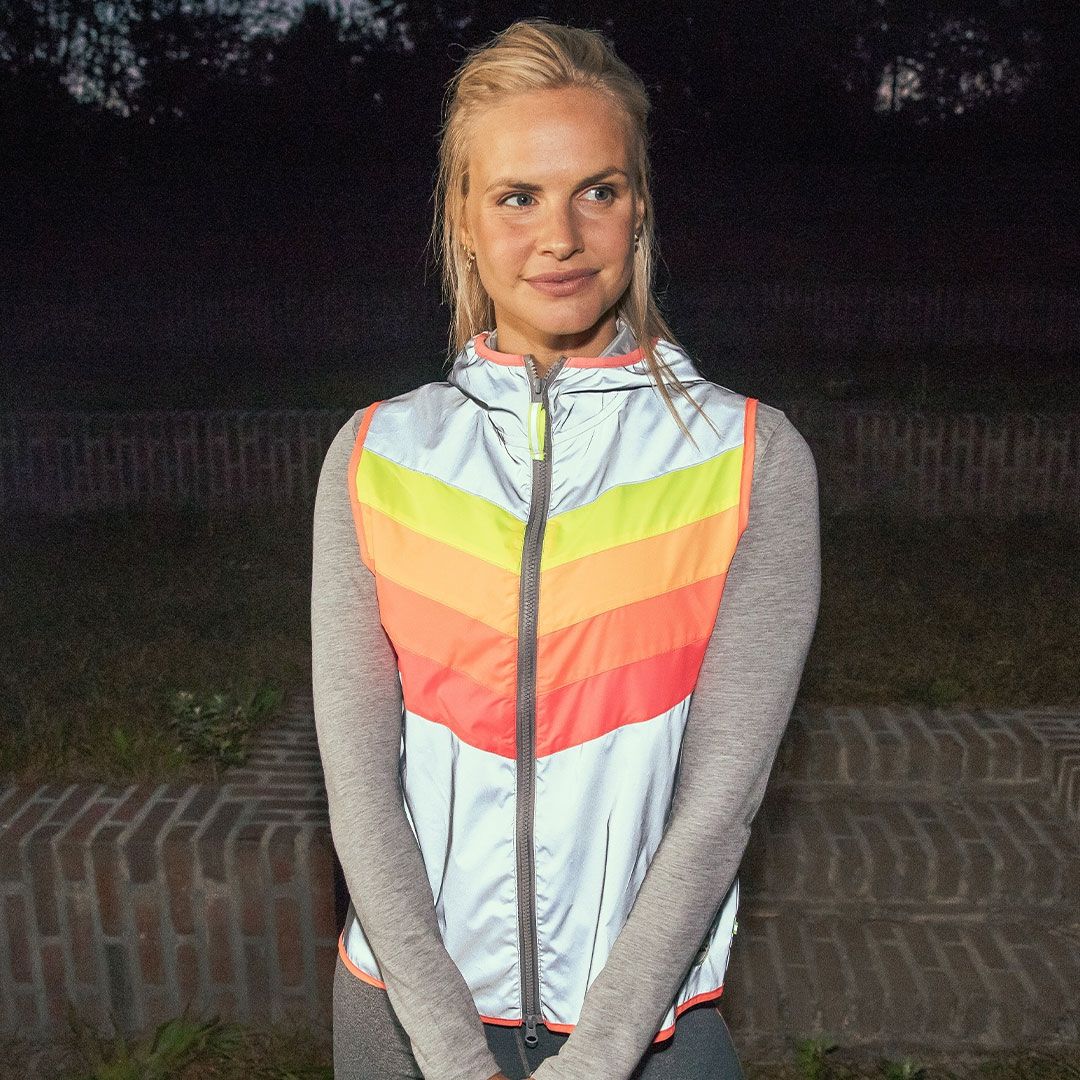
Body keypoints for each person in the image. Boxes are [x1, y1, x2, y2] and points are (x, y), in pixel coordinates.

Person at [311, 17, 820, 1080]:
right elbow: (359, 795)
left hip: (652, 1034)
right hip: (404, 1026)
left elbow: (719, 804)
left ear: (640, 209)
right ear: (462, 218)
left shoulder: (748, 458)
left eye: (598, 190)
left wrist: (598, 1059)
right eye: (517, 197)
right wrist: (454, 1056)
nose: (562, 236)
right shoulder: (373, 457)